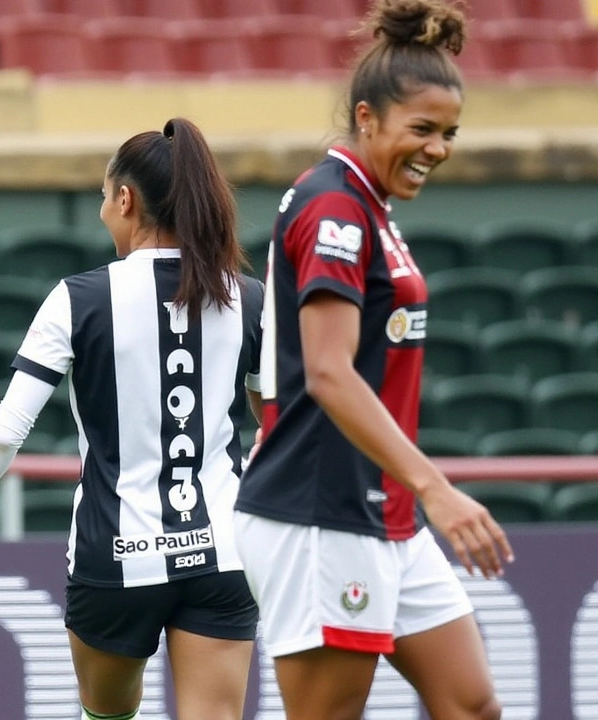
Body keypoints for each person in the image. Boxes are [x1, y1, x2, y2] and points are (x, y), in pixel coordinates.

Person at [0, 117, 263, 720]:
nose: (105, 212)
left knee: (107, 716)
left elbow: (5, 432)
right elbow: (278, 425)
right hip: (224, 554)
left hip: (115, 558)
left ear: (125, 200)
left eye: (105, 198)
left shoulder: (79, 296)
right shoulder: (248, 297)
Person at [233, 1, 516, 718]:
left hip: (377, 507)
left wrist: (411, 493)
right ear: (366, 119)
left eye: (449, 133)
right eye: (421, 129)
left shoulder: (368, 207)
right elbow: (328, 373)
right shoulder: (334, 209)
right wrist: (436, 489)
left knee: (472, 704)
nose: (438, 148)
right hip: (319, 508)